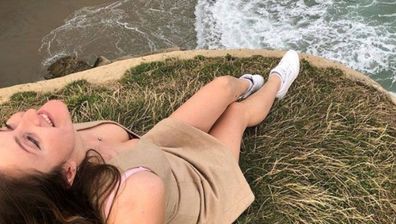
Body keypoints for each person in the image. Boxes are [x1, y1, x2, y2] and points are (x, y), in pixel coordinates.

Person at [0, 50, 300, 224]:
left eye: (7, 127)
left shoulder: (62, 139)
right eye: (31, 141)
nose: (24, 117)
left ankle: (246, 83)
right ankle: (276, 82)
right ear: (68, 174)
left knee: (223, 86)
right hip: (198, 188)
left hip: (162, 148)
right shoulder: (131, 196)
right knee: (234, 114)